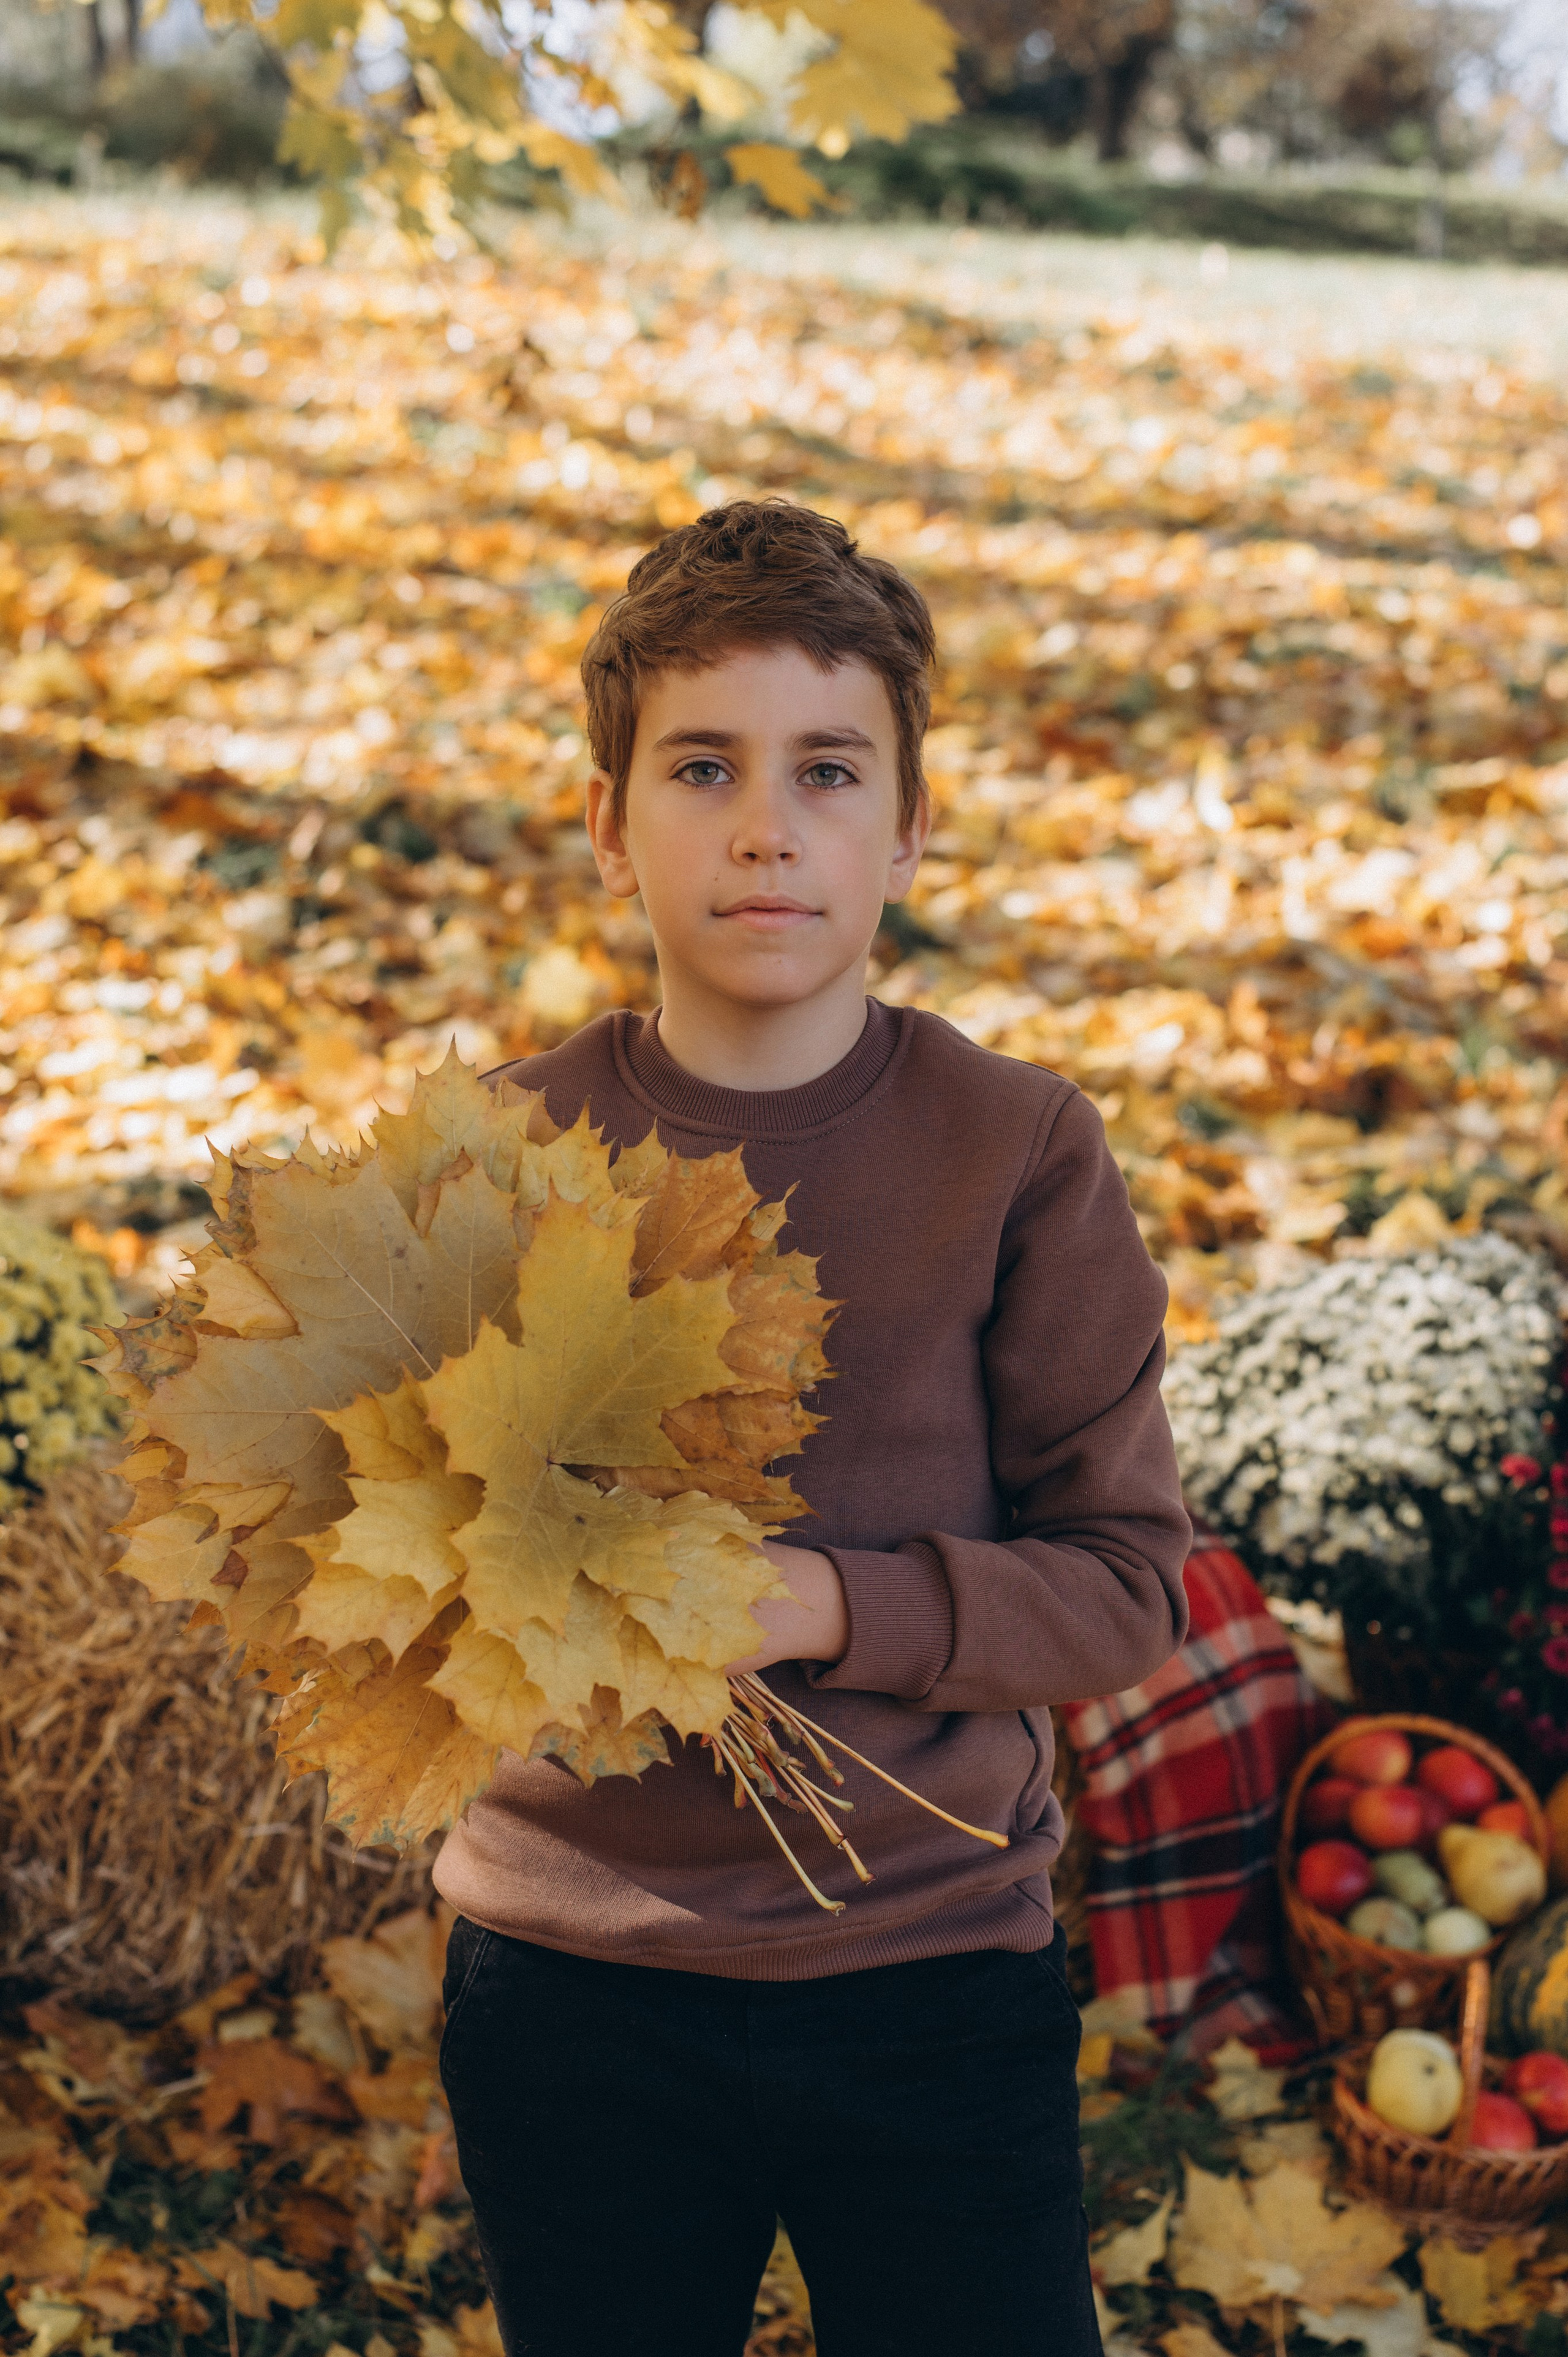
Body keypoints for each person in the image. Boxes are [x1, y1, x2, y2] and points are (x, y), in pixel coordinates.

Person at [435, 499, 1191, 2357]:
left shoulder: (1019, 1152)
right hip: (570, 1967)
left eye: (829, 769)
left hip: (930, 1963)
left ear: (910, 825)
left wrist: (821, 1609)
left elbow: (1123, 1589)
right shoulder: (494, 1156)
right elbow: (388, 1545)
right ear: (609, 819)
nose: (768, 823)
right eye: (703, 766)